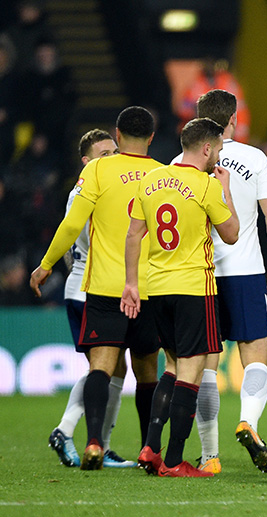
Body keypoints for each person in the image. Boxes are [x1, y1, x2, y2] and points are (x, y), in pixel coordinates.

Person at [30, 107, 163, 470]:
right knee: (147, 372)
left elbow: (72, 223)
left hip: (105, 286)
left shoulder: (97, 171)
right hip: (149, 287)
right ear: (151, 138)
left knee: (101, 367)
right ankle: (150, 450)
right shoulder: (163, 174)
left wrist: (46, 264)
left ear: (118, 135)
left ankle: (93, 443)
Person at [171, 89, 267, 474]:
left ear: (197, 120)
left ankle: (209, 456)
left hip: (200, 274)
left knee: (205, 366)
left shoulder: (180, 162)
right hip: (246, 271)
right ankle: (248, 422)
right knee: (255, 355)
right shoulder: (254, 158)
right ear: (234, 120)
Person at [125, 117, 239, 478]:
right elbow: (231, 234)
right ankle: (174, 461)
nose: (218, 156)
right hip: (193, 287)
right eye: (217, 149)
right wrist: (226, 190)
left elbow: (133, 234)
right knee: (191, 372)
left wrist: (131, 283)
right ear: (206, 148)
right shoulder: (206, 185)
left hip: (157, 287)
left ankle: (150, 447)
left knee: (172, 367)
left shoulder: (150, 180)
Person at [47, 129, 141, 469]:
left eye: (114, 152)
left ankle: (102, 444)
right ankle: (65, 429)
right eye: (104, 154)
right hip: (92, 289)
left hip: (87, 285)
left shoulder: (90, 189)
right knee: (102, 367)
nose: (112, 158)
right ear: (86, 162)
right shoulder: (90, 191)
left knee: (116, 367)